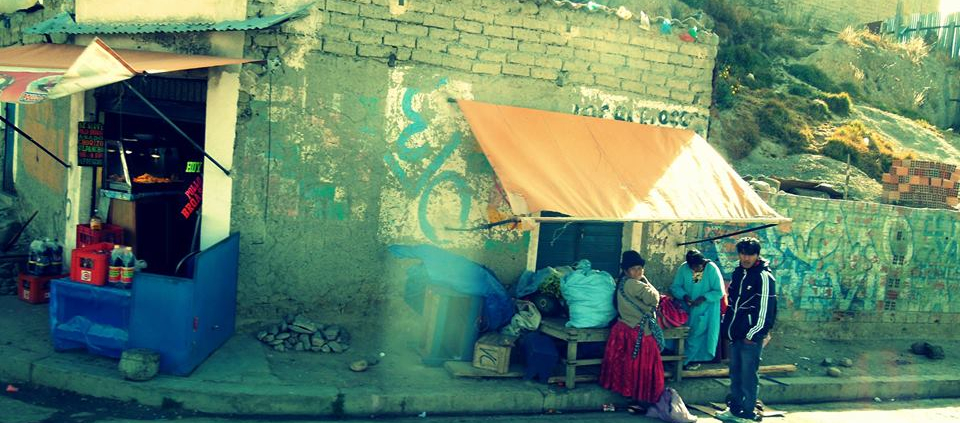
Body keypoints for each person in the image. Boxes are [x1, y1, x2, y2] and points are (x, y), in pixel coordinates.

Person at [717, 237, 777, 422]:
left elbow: (767, 309)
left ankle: (749, 413)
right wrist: (727, 329)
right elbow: (732, 304)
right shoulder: (738, 273)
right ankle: (735, 410)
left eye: (750, 254)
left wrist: (753, 334)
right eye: (743, 254)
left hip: (751, 337)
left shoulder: (764, 276)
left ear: (757, 255)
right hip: (735, 334)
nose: (746, 258)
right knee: (735, 374)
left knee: (748, 377)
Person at [600, 250, 665, 407]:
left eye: (640, 268)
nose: (638, 272)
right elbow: (654, 298)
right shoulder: (633, 284)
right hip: (638, 332)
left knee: (628, 365)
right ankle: (642, 396)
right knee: (643, 366)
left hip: (625, 329)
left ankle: (631, 395)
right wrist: (646, 281)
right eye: (634, 269)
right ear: (626, 271)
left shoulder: (623, 282)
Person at [670, 249, 725, 370]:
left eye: (698, 267)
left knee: (697, 335)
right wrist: (684, 296)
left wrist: (704, 298)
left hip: (707, 309)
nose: (695, 270)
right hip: (687, 309)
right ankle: (683, 361)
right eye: (693, 268)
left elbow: (719, 291)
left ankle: (691, 361)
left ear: (703, 263)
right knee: (687, 335)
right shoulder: (684, 268)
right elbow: (675, 287)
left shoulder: (711, 269)